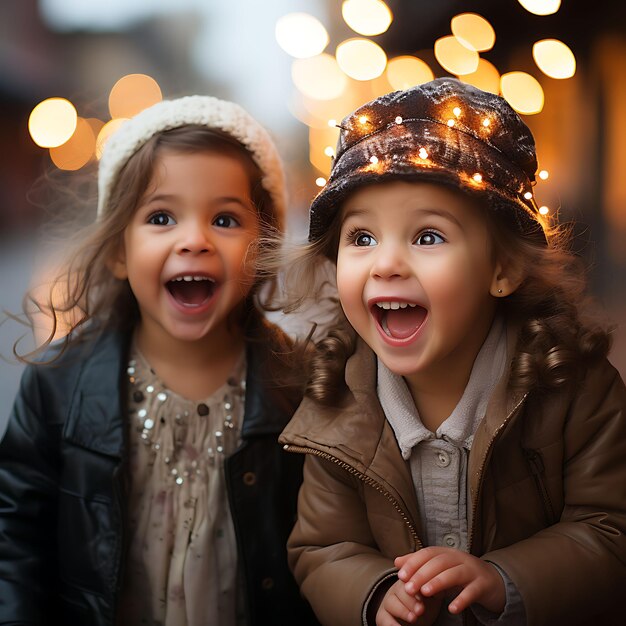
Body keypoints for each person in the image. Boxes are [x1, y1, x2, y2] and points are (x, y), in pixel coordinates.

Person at [278, 77, 626, 626]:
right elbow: (323, 549)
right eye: (362, 238)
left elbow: (611, 529)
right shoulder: (336, 402)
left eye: (428, 237)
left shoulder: (572, 386)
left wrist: (503, 578)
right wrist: (375, 593)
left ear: (503, 268)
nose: (386, 264)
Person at [0, 95, 317, 626]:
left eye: (224, 219)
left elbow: (326, 543)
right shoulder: (59, 384)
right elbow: (15, 536)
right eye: (162, 217)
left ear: (261, 248)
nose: (193, 240)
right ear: (120, 251)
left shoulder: (300, 383)